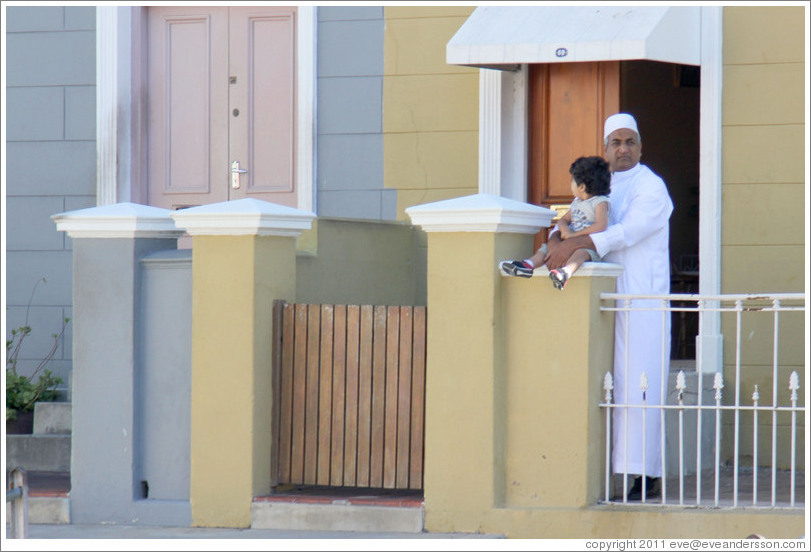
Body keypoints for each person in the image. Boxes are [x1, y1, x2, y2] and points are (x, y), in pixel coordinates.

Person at [544, 113, 674, 501]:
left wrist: (578, 245)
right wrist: (557, 235)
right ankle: (601, 474)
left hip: (640, 299)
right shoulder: (598, 184)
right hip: (600, 296)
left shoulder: (651, 187)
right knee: (602, 386)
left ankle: (644, 476)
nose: (623, 149)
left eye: (630, 142)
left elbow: (631, 231)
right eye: (615, 142)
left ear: (640, 146)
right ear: (604, 148)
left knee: (639, 385)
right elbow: (574, 215)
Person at [499, 155, 611, 290]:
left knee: (580, 254)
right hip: (569, 241)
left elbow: (601, 225)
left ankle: (565, 273)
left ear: (581, 186)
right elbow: (563, 220)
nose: (571, 185)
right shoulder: (576, 203)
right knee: (545, 249)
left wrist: (575, 236)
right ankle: (528, 265)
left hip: (587, 247)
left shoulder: (600, 202)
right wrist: (565, 230)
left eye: (572, 181)